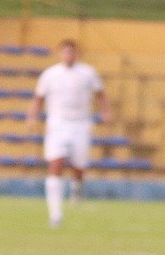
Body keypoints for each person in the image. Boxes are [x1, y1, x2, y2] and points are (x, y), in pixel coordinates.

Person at [29, 39, 108, 228]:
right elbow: (39, 98)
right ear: (60, 54)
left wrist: (105, 111)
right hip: (57, 123)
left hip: (81, 124)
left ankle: (77, 189)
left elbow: (100, 94)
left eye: (71, 52)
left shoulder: (88, 73)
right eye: (65, 52)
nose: (68, 55)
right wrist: (32, 116)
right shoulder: (50, 74)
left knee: (78, 167)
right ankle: (55, 213)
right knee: (56, 164)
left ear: (77, 54)